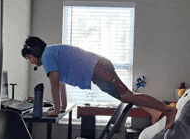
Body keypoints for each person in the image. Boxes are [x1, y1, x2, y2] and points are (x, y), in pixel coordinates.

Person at [21, 36, 177, 132]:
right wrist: (61, 106)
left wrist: (56, 110)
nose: (30, 62)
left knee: (128, 96)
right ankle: (162, 110)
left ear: (34, 52)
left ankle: (168, 110)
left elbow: (54, 84)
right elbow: (60, 84)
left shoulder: (47, 56)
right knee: (127, 97)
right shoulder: (51, 53)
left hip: (98, 69)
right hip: (98, 69)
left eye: (29, 58)